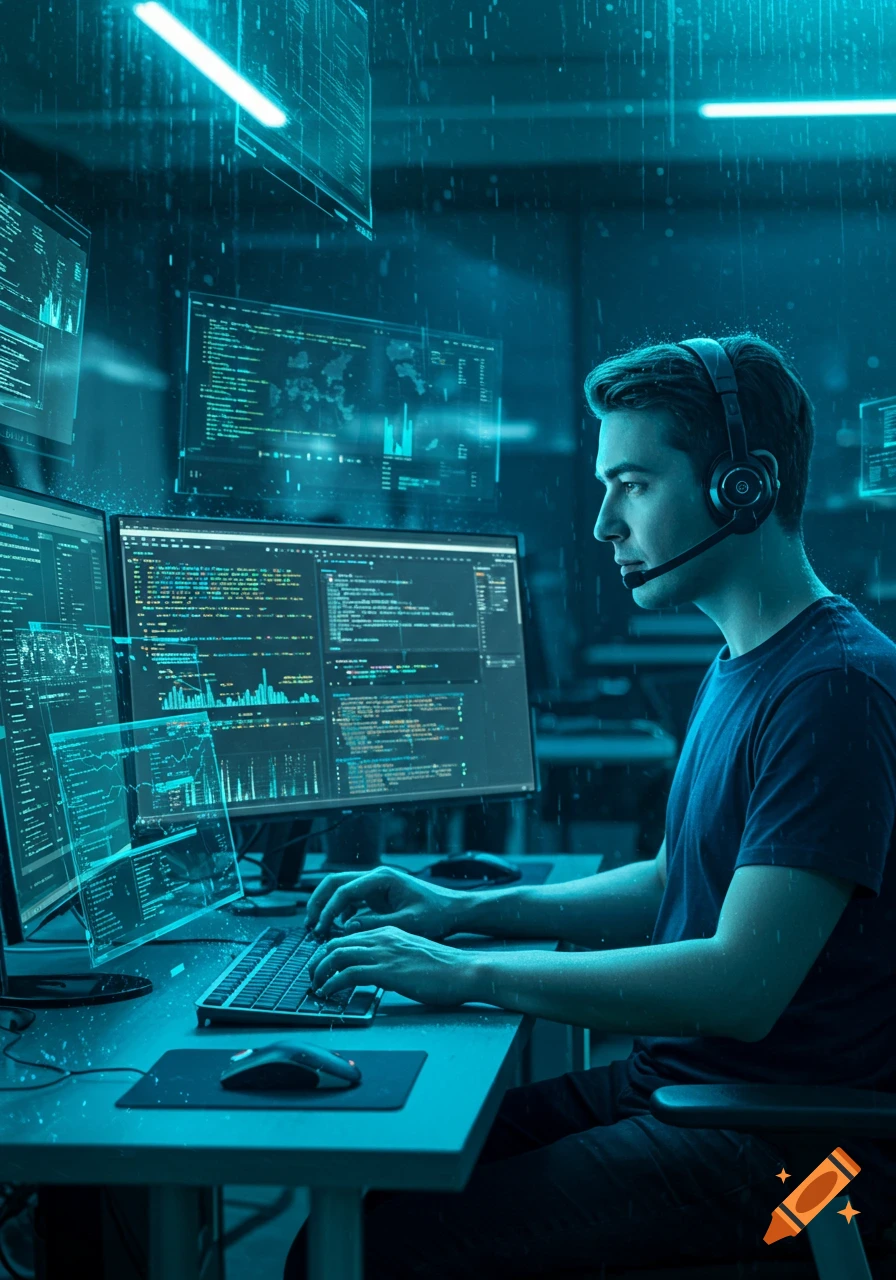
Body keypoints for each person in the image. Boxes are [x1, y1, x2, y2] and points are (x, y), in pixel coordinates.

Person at [284, 334, 896, 1279]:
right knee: (378, 1181)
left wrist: (467, 972)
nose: (606, 522)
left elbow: (739, 983)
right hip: (699, 1096)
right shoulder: (747, 660)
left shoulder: (834, 689)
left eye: (636, 485)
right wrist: (461, 913)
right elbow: (675, 878)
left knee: (361, 1250)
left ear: (746, 487)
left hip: (800, 1165)